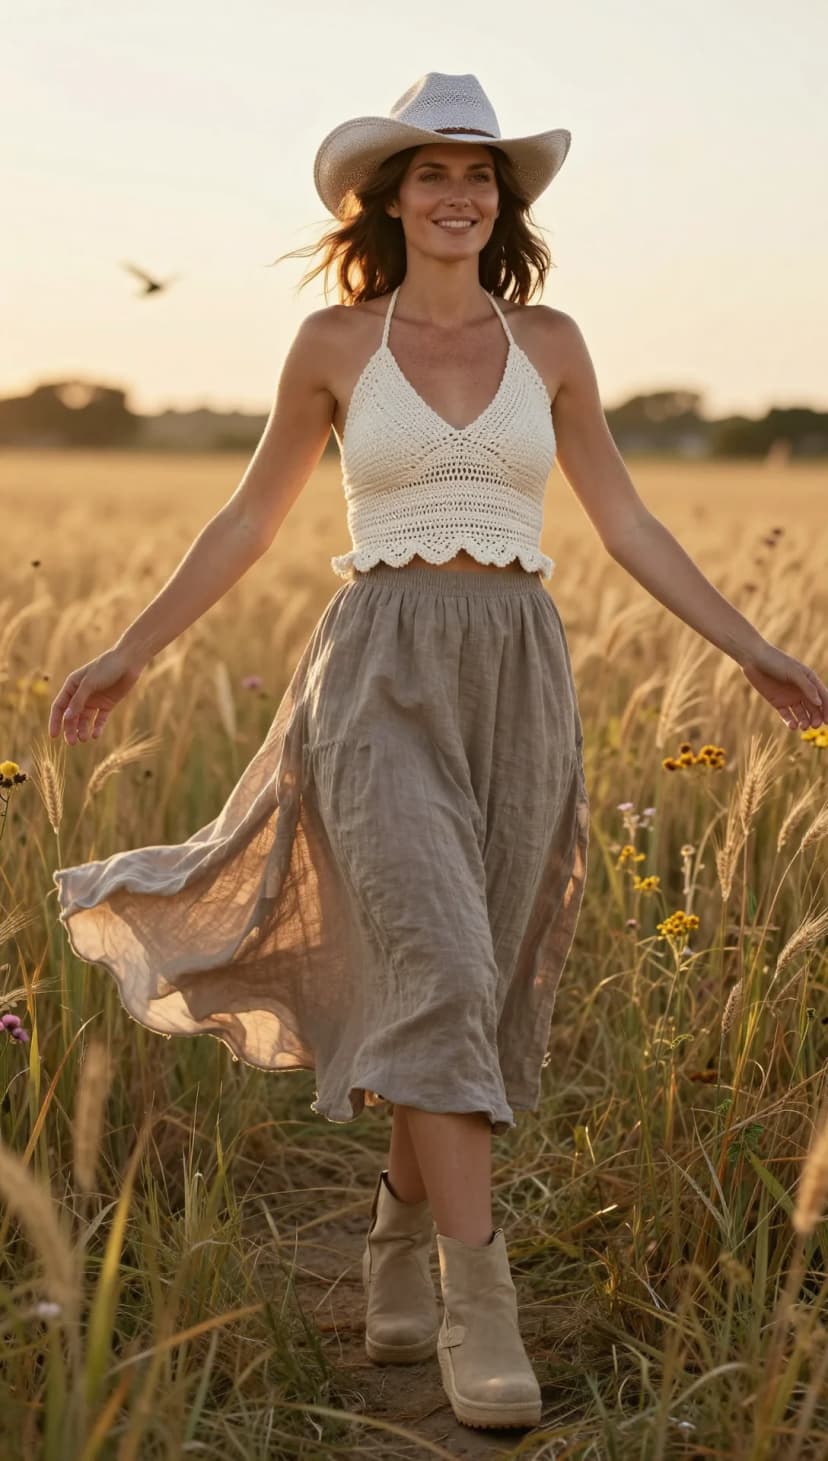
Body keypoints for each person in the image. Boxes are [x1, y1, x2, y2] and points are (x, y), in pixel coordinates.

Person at [48, 72, 827, 1433]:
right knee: (444, 962)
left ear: (501, 205)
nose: (460, 194)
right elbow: (247, 518)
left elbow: (629, 523)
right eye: (433, 175)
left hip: (518, 674)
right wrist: (131, 645)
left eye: (482, 177)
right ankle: (482, 1303)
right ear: (392, 200)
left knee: (456, 981)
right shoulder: (335, 345)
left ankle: (396, 1240)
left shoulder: (558, 342)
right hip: (379, 674)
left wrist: (751, 644)